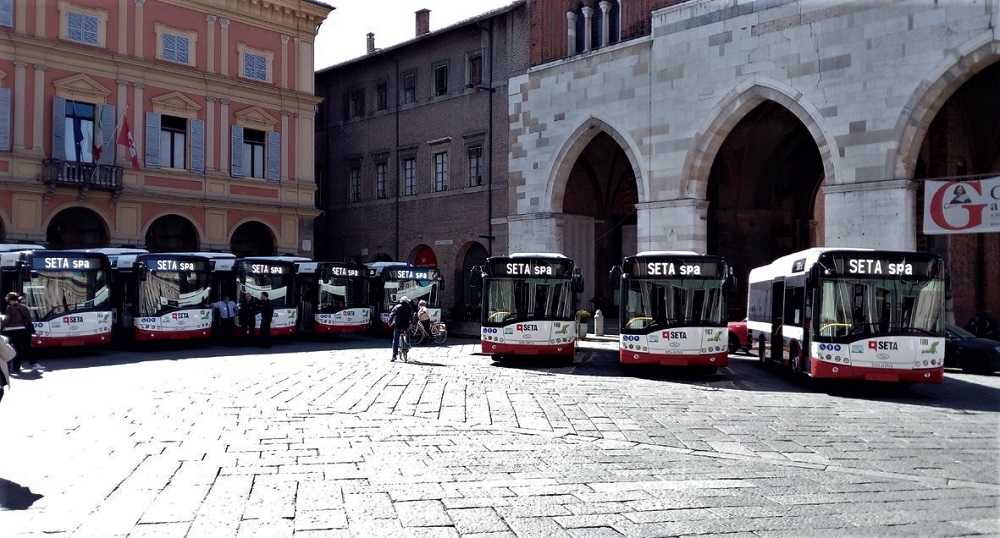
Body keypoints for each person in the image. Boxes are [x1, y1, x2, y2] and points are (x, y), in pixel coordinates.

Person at [2, 293, 35, 373]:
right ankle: (33, 362)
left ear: (10, 300)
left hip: (14, 331)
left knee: (17, 349)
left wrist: (2, 326)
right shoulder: (24, 307)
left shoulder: (9, 308)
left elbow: (7, 320)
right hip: (24, 330)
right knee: (26, 347)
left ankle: (16, 367)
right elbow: (29, 319)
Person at [389, 295, 414, 362]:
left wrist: (390, 322)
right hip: (406, 326)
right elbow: (411, 316)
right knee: (408, 335)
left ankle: (394, 355)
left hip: (398, 326)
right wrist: (412, 323)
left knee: (396, 340)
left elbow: (391, 315)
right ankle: (408, 345)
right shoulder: (409, 307)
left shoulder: (397, 307)